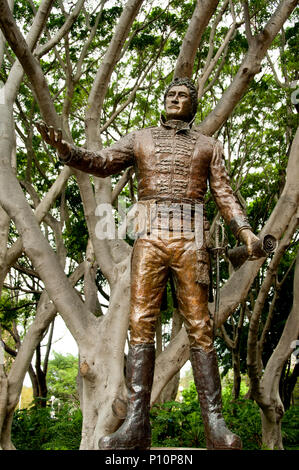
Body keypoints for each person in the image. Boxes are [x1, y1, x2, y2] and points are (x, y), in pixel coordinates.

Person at [37, 77, 259, 450]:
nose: (175, 99)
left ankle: (216, 427)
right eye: (170, 94)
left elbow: (224, 195)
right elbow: (104, 162)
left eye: (183, 95)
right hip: (150, 237)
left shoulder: (209, 146)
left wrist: (247, 233)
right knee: (140, 324)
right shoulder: (140, 137)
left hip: (192, 239)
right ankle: (136, 426)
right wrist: (69, 152)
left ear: (193, 104)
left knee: (200, 327)